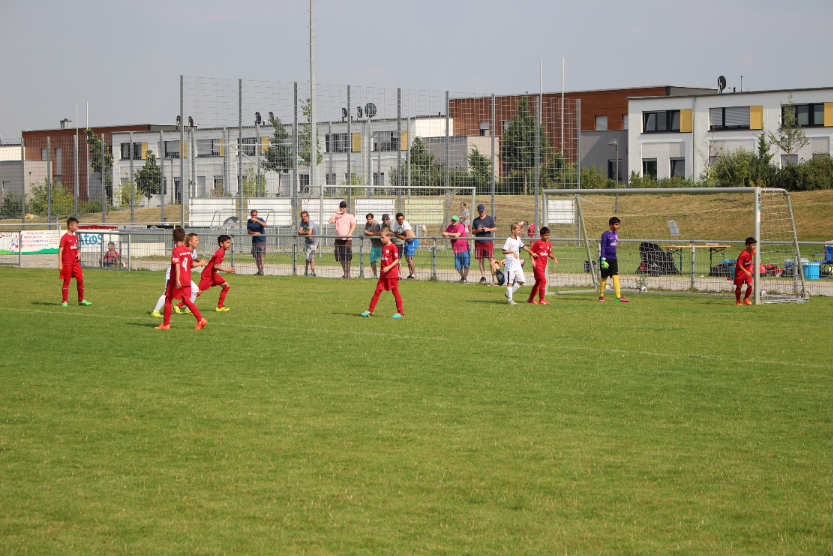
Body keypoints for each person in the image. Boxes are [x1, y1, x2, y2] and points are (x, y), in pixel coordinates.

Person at [155, 227, 207, 330]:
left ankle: (166, 324)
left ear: (173, 239)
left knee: (168, 299)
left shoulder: (176, 250)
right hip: (187, 279)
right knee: (186, 300)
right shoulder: (187, 250)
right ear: (184, 239)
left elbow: (177, 264)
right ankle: (200, 319)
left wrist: (177, 279)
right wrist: (200, 263)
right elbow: (191, 264)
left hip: (177, 279)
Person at [361, 229, 404, 319]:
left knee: (395, 292)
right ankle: (369, 311)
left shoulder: (393, 247)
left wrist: (388, 267)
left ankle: (400, 313)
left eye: (383, 237)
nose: (381, 239)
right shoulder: (383, 247)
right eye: (380, 237)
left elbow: (397, 260)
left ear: (389, 237)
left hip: (392, 274)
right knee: (377, 291)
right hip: (383, 274)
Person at [58, 217, 91, 307]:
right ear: (70, 226)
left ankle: (81, 300)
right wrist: (60, 263)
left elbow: (74, 249)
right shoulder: (64, 237)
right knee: (66, 281)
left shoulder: (75, 238)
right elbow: (60, 251)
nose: (77, 227)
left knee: (80, 280)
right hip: (67, 263)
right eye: (76, 226)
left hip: (76, 263)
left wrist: (79, 253)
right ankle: (64, 301)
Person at [197, 234, 236, 311]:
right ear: (221, 244)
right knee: (197, 292)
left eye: (229, 242)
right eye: (227, 242)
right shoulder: (220, 253)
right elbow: (215, 266)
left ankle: (220, 307)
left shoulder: (222, 252)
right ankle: (179, 305)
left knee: (226, 286)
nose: (229, 244)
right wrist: (227, 270)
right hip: (207, 275)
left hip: (213, 274)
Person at [502, 222, 535, 305]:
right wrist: (512, 251)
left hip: (517, 264)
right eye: (518, 230)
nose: (520, 232)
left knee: (522, 280)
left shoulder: (518, 239)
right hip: (510, 265)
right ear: (513, 230)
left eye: (520, 230)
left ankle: (509, 293)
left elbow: (523, 246)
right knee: (510, 282)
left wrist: (531, 252)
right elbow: (504, 251)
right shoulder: (509, 240)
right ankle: (510, 300)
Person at [599, 216, 628, 303]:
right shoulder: (605, 234)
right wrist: (602, 258)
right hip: (605, 259)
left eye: (618, 224)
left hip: (613, 259)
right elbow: (603, 246)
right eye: (616, 224)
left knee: (616, 277)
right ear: (611, 225)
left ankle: (618, 296)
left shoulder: (616, 234)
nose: (617, 226)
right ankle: (601, 296)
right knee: (604, 278)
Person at [527, 226, 558, 305]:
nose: (547, 237)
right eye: (546, 235)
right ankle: (541, 300)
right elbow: (531, 252)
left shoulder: (548, 243)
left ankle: (530, 299)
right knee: (544, 281)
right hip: (537, 265)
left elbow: (549, 253)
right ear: (541, 235)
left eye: (548, 235)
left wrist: (554, 258)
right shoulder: (538, 243)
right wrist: (533, 261)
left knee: (538, 282)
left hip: (543, 266)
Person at [329, 200, 356, 279]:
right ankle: (345, 273)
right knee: (340, 257)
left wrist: (350, 233)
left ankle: (348, 273)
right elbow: (330, 221)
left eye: (344, 207)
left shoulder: (350, 216)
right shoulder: (337, 216)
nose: (343, 208)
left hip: (347, 239)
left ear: (346, 207)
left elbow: (353, 225)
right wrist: (336, 213)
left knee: (347, 257)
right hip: (338, 239)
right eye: (341, 207)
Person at [472, 204, 497, 285]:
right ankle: (483, 277)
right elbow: (473, 232)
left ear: (484, 210)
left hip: (488, 242)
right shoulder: (475, 220)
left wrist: (488, 229)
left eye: (482, 211)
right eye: (480, 211)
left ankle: (494, 277)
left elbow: (495, 229)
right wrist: (477, 230)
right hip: (479, 242)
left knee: (491, 259)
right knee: (481, 260)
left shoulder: (489, 219)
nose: (481, 213)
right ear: (478, 211)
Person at [442, 215, 469, 282]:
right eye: (453, 220)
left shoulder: (460, 226)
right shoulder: (450, 227)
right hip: (456, 250)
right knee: (458, 266)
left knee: (466, 265)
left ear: (458, 221)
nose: (453, 222)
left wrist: (447, 233)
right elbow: (445, 233)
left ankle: (464, 277)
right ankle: (463, 278)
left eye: (455, 220)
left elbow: (457, 235)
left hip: (464, 249)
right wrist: (444, 234)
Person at [393, 212, 418, 280]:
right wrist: (399, 236)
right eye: (399, 219)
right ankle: (410, 273)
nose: (401, 220)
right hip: (407, 242)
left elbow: (405, 236)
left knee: (409, 258)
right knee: (407, 259)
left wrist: (398, 235)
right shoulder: (396, 224)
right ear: (396, 219)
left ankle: (414, 273)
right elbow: (394, 233)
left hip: (412, 241)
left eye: (402, 219)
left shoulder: (405, 223)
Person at [734, 237, 757, 306]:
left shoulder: (752, 251)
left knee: (750, 285)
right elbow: (739, 265)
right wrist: (746, 272)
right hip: (740, 272)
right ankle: (738, 301)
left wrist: (747, 271)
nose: (754, 247)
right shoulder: (743, 255)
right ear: (747, 245)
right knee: (739, 286)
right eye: (753, 245)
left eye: (755, 245)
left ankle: (746, 298)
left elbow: (753, 253)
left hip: (747, 271)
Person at [298, 210, 318, 277]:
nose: (303, 218)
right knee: (309, 256)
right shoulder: (302, 222)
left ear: (308, 216)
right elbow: (299, 232)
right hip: (307, 241)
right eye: (302, 216)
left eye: (305, 216)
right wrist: (304, 233)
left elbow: (309, 232)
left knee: (309, 256)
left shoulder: (310, 222)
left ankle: (310, 271)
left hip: (313, 242)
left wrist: (302, 233)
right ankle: (309, 271)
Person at [247, 210, 267, 275]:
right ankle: (259, 270)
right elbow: (249, 231)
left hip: (262, 240)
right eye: (253, 215)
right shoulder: (249, 221)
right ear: (251, 215)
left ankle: (262, 271)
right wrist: (255, 233)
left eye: (255, 215)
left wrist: (257, 220)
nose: (254, 216)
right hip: (254, 241)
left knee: (261, 256)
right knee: (257, 257)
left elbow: (265, 225)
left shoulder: (260, 219)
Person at [363, 213, 383, 278]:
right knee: (372, 261)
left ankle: (383, 274)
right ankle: (375, 275)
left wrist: (368, 233)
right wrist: (370, 233)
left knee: (383, 261)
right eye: (367, 219)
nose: (368, 220)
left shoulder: (376, 224)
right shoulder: (367, 224)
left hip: (381, 246)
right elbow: (365, 233)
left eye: (370, 219)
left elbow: (375, 234)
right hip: (374, 245)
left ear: (372, 218)